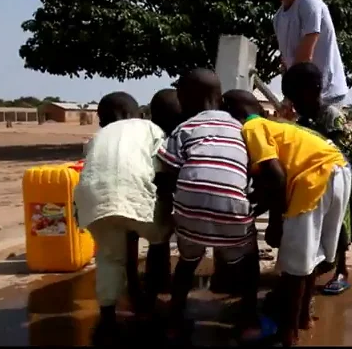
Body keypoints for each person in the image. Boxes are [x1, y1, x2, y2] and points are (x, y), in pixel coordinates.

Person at [222, 89, 352, 347]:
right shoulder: (276, 127)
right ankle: (303, 317)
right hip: (339, 170)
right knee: (310, 256)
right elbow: (271, 180)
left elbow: (276, 176)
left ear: (232, 116)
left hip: (314, 179)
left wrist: (275, 222)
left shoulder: (252, 127)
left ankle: (287, 334)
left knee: (294, 265)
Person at [154, 69, 268, 344]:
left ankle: (174, 320)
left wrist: (174, 213)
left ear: (184, 99)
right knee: (248, 263)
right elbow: (252, 171)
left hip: (190, 212)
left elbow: (166, 175)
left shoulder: (184, 129)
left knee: (187, 262)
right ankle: (248, 320)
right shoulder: (241, 129)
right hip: (233, 212)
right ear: (218, 97)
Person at [73, 91, 173, 344]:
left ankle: (107, 318)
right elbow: (161, 168)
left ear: (103, 119)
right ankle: (150, 302)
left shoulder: (97, 137)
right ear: (134, 113)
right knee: (159, 238)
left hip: (95, 201)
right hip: (136, 195)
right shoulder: (150, 128)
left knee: (108, 258)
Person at [281, 62, 352, 295]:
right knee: (327, 225)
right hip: (324, 177)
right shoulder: (304, 119)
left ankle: (341, 270)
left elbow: (340, 153)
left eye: (297, 97)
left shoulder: (331, 116)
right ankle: (322, 263)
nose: (294, 104)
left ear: (315, 90)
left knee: (342, 226)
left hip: (348, 177)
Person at [258, 0, 348, 120]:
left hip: (326, 95)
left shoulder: (308, 2)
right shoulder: (278, 19)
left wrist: (291, 98)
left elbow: (305, 56)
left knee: (329, 144)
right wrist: (288, 98)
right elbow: (288, 63)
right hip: (303, 97)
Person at [124, 88, 184, 306]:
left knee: (129, 243)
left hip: (124, 198)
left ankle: (132, 285)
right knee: (159, 241)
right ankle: (158, 283)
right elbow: (165, 177)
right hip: (153, 197)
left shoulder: (135, 134)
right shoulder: (165, 139)